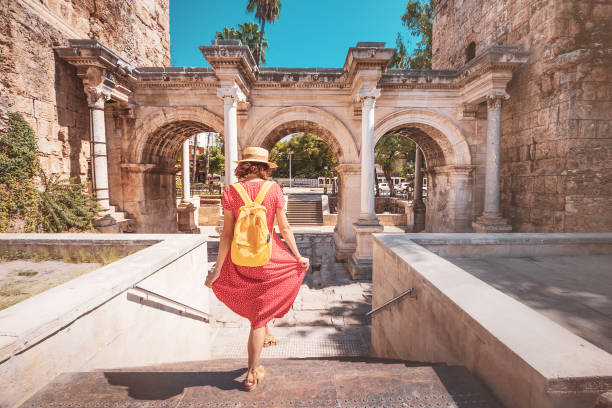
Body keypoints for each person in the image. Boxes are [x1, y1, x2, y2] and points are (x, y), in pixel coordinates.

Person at [204, 146, 309, 391]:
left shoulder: (231, 191)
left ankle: (266, 331)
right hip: (268, 259)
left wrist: (217, 271)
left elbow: (226, 235)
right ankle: (252, 372)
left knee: (255, 301)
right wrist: (298, 256)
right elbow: (285, 229)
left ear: (243, 166)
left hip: (241, 259)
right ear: (264, 168)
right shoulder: (274, 190)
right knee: (259, 317)